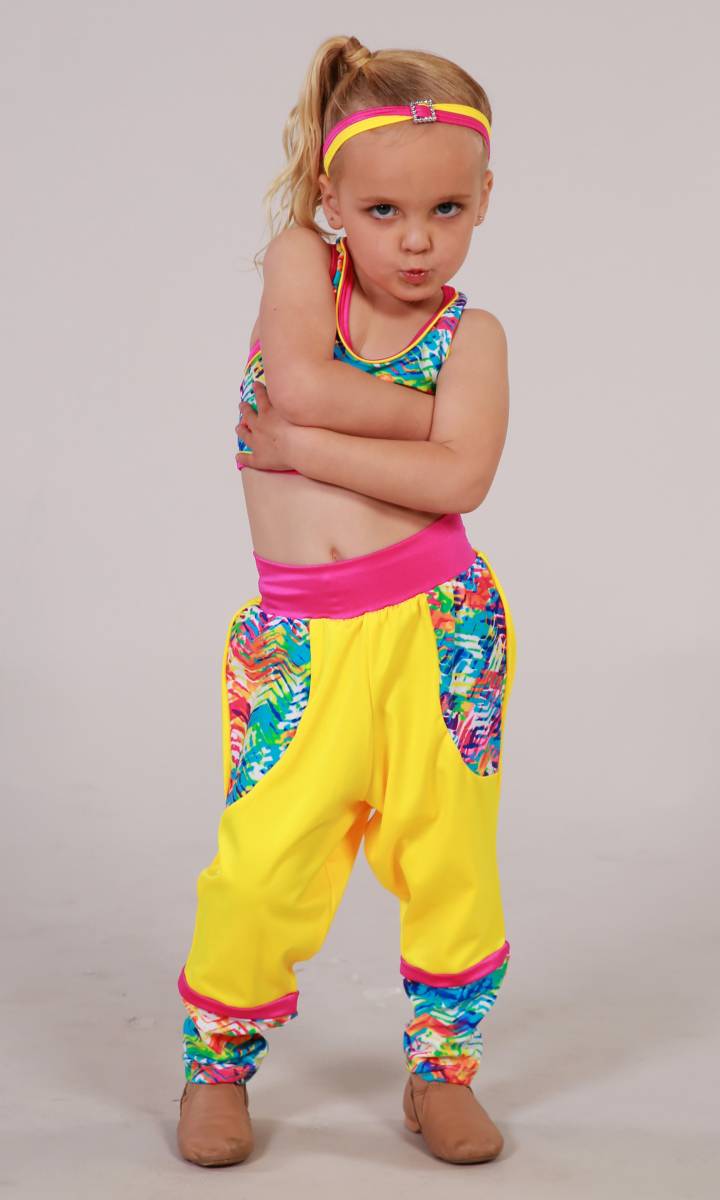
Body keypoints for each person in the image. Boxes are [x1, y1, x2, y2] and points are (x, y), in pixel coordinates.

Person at [176, 33, 518, 1169]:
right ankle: (216, 1065)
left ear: (482, 201)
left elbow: (461, 480)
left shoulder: (473, 336)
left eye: (447, 210)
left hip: (442, 633)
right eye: (383, 211)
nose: (417, 239)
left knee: (449, 856)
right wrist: (422, 422)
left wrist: (305, 443)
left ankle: (442, 1072)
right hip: (298, 644)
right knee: (262, 862)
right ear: (333, 201)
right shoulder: (299, 265)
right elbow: (301, 380)